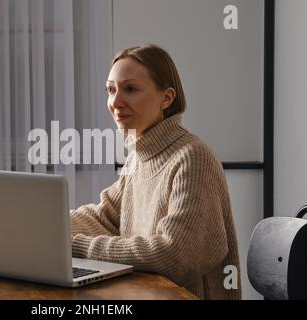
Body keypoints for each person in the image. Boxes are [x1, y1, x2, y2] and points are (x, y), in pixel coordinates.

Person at [70, 44, 241, 300]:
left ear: (167, 98)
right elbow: (104, 218)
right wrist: (47, 224)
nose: (115, 101)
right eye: (111, 89)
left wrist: (75, 246)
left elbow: (175, 257)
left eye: (130, 89)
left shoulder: (193, 158)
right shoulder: (137, 158)